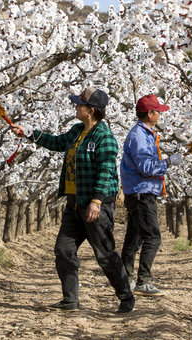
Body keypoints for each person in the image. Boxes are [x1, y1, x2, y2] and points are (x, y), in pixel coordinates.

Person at [11, 86, 135, 314]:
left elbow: (107, 170)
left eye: (80, 104)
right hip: (74, 203)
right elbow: (57, 143)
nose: (76, 107)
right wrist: (28, 133)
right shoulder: (78, 131)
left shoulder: (104, 137)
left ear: (91, 110)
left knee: (105, 254)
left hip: (95, 205)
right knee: (63, 250)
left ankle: (126, 297)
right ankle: (70, 300)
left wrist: (96, 202)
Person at [120, 94, 183, 297]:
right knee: (152, 238)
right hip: (142, 193)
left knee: (134, 237)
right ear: (149, 113)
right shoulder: (139, 135)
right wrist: (169, 162)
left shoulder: (146, 134)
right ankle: (143, 281)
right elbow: (146, 167)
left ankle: (125, 279)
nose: (160, 115)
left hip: (138, 192)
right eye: (158, 111)